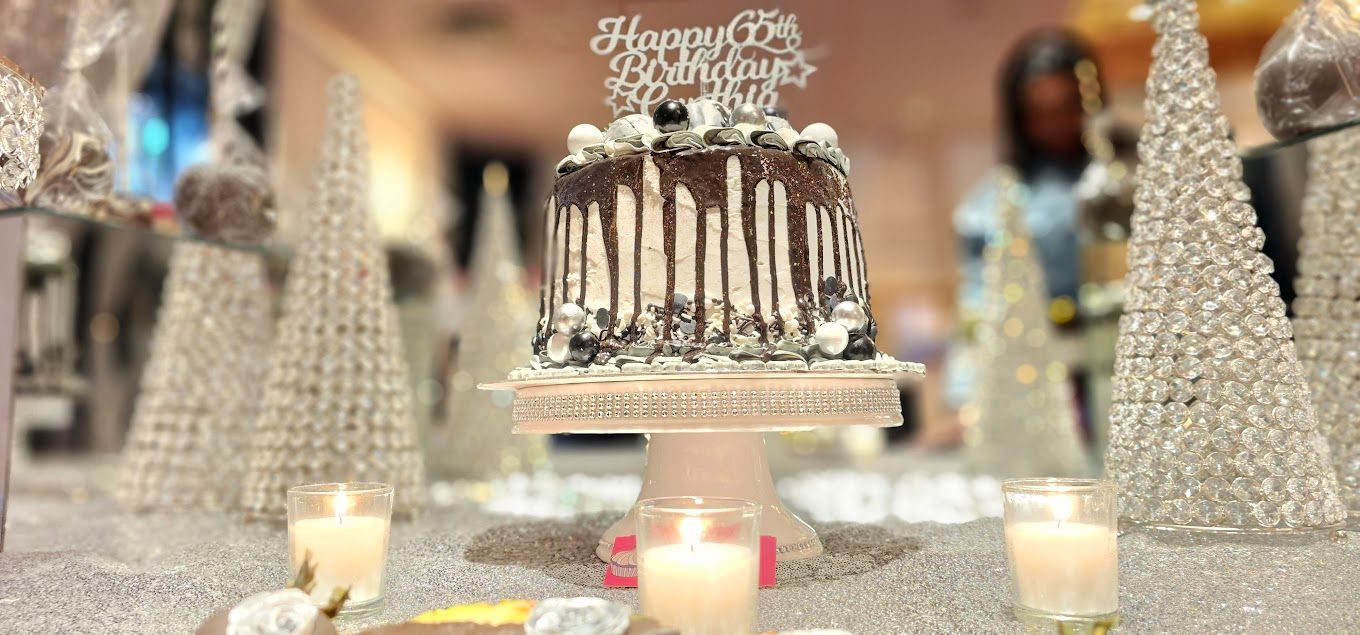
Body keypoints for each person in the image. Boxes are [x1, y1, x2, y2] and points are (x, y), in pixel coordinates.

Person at [946, 28, 1103, 413]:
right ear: (1020, 117)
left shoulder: (1120, 180)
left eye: (1067, 106)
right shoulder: (990, 206)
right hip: (1032, 381)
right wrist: (969, 397)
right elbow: (977, 306)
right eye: (1040, 113)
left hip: (1120, 361)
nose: (1057, 123)